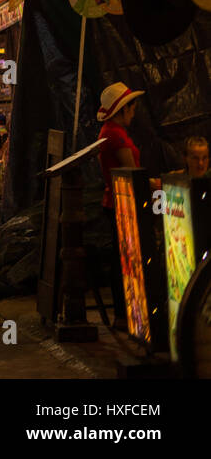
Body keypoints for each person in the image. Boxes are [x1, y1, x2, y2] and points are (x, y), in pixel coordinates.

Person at [97, 82, 143, 322]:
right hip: (121, 203)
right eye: (132, 109)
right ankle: (126, 314)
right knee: (124, 259)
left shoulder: (108, 131)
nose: (134, 114)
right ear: (124, 109)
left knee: (120, 258)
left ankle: (124, 314)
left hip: (114, 201)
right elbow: (131, 171)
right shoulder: (114, 133)